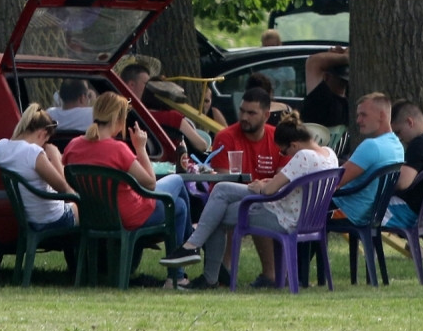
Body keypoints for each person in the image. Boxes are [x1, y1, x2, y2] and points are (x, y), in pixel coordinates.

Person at [159, 110, 339, 290]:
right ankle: (198, 255)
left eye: (284, 152)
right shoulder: (330, 155)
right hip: (308, 218)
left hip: (282, 216)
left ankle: (197, 255)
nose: (286, 156)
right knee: (219, 203)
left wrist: (260, 186)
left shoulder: (303, 156)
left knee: (219, 200)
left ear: (293, 145)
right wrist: (268, 183)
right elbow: (299, 183)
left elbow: (268, 191)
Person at [62, 93, 195, 288]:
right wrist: (140, 148)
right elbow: (150, 183)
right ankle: (187, 251)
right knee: (177, 181)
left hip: (92, 215)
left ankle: (179, 273)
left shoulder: (73, 145)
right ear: (118, 120)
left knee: (180, 206)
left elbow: (69, 173)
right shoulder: (118, 149)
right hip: (129, 215)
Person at [210, 86, 290, 288]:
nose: (244, 117)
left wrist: (264, 188)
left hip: (271, 199)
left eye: (251, 113)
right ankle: (223, 272)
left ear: (266, 115)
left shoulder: (277, 137)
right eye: (242, 111)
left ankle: (270, 275)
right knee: (244, 207)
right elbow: (222, 180)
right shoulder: (226, 136)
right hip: (234, 198)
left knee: (256, 207)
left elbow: (284, 178)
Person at [0, 104, 78, 231]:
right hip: (53, 219)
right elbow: (63, 188)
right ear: (42, 134)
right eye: (45, 141)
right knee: (86, 210)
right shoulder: (33, 152)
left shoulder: (2, 147)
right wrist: (55, 156)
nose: (43, 146)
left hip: (29, 221)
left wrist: (4, 166)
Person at [328, 92, 404, 225]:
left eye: (363, 115)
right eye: (358, 115)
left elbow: (335, 181)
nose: (358, 120)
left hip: (347, 212)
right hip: (372, 214)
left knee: (301, 210)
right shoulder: (397, 146)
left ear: (382, 115)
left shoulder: (372, 146)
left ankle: (292, 245)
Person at [382, 100, 423, 229]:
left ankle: (367, 248)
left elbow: (402, 182)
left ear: (410, 122)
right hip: (422, 212)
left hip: (406, 212)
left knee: (359, 208)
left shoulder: (420, 144)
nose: (399, 138)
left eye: (398, 132)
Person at [301, 46, 349, 127]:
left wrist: (346, 57)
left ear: (325, 76)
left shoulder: (321, 101)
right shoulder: (348, 104)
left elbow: (313, 61)